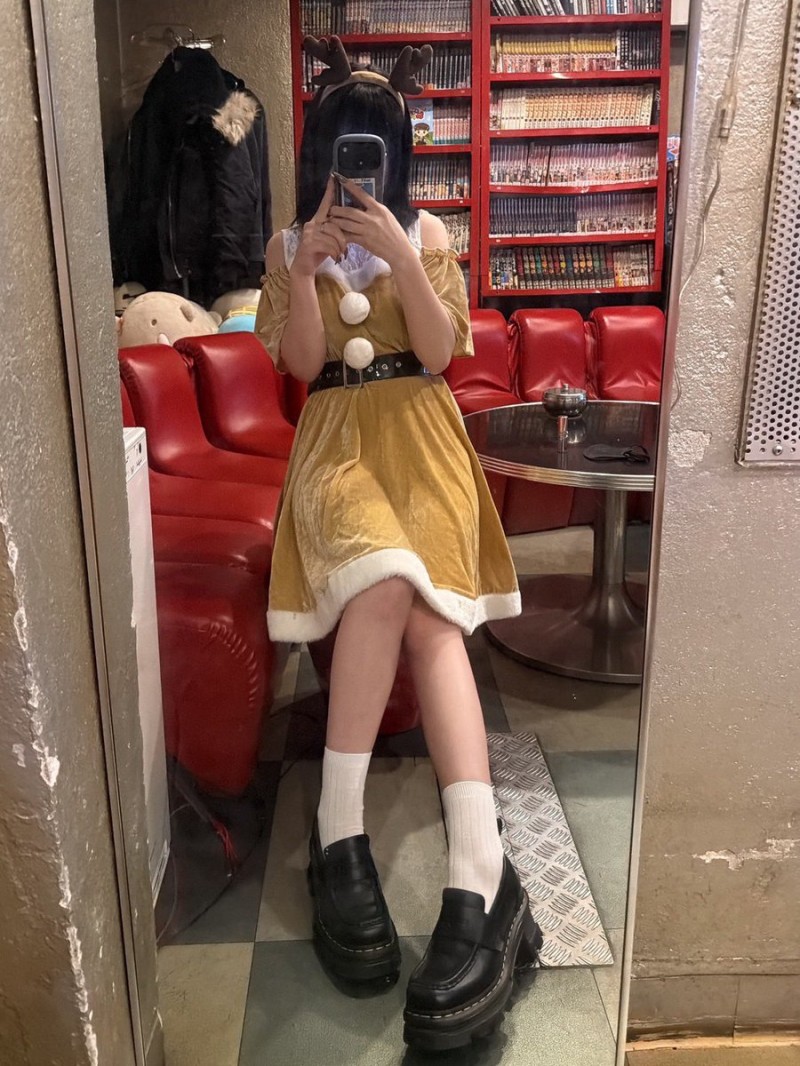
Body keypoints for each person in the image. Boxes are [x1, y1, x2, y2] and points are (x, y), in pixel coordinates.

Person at [255, 36, 543, 1052]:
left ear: (397, 156)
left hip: (422, 437)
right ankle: (350, 833)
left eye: (373, 149)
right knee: (384, 583)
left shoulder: (425, 231)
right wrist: (306, 272)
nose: (357, 167)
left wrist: (403, 255)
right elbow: (299, 365)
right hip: (337, 442)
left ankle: (475, 872)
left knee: (429, 620)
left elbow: (437, 351)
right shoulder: (288, 246)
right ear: (320, 154)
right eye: (343, 148)